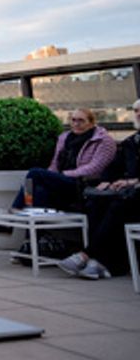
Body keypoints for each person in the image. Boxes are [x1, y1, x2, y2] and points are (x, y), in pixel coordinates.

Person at [58, 99, 140, 280]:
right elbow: (113, 168)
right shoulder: (131, 142)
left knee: (118, 205)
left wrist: (133, 181)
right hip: (129, 194)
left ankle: (87, 255)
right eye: (136, 110)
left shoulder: (107, 140)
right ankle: (100, 262)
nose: (138, 114)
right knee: (97, 201)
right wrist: (106, 181)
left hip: (134, 195)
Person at [11, 107, 116, 211]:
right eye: (73, 120)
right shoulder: (65, 138)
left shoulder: (103, 140)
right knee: (39, 190)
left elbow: (95, 168)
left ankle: (17, 208)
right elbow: (54, 163)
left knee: (34, 173)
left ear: (91, 123)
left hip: (82, 183)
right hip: (63, 180)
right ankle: (30, 217)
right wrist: (53, 175)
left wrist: (65, 174)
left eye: (81, 121)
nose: (76, 124)